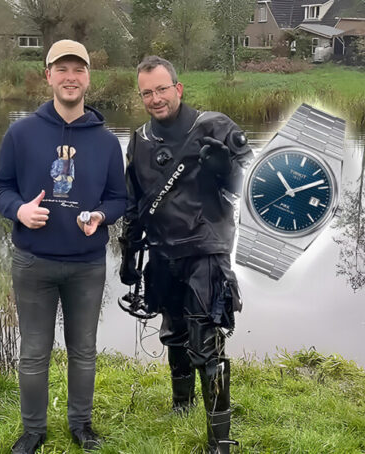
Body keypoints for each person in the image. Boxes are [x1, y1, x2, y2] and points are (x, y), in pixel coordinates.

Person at [0, 39, 127, 454]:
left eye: (79, 70)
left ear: (88, 78)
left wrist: (102, 217)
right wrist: (19, 211)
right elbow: (1, 187)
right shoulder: (21, 133)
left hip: (87, 265)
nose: (71, 78)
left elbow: (119, 197)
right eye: (62, 69)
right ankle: (33, 430)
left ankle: (81, 426)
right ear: (48, 75)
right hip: (33, 262)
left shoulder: (105, 141)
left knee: (83, 350)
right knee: (33, 352)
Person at [119, 56, 253, 453]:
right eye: (147, 92)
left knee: (207, 343)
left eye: (162, 89)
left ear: (178, 88)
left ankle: (220, 440)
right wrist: (129, 252)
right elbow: (134, 199)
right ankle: (181, 405)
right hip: (162, 253)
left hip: (206, 249)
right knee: (173, 334)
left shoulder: (213, 126)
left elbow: (254, 183)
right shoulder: (140, 140)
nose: (156, 98)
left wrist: (225, 169)